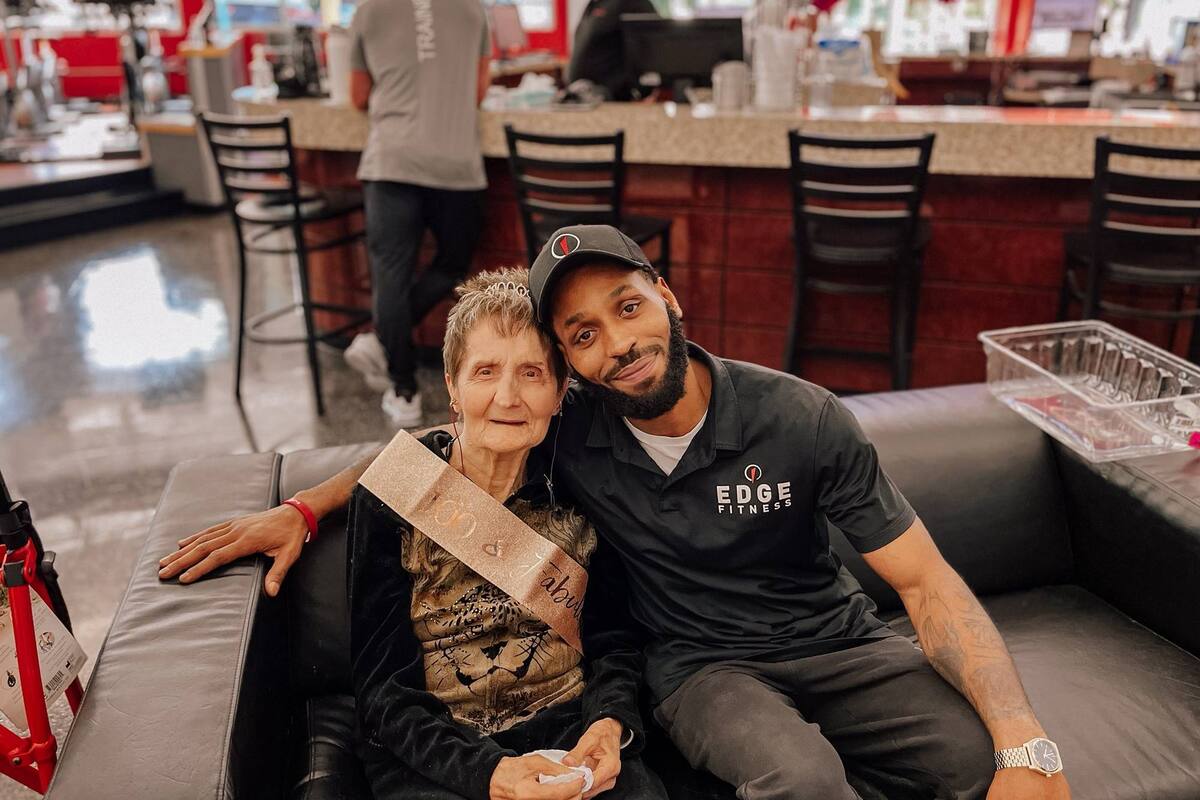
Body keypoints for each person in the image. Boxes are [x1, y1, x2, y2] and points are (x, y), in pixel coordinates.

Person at [161, 226, 1072, 800]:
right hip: (699, 670)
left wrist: (1025, 740)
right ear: (573, 368)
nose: (617, 347)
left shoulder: (798, 418)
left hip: (831, 642)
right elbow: (444, 444)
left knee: (979, 765)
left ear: (667, 300)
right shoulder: (566, 423)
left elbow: (925, 580)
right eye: (583, 337)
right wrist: (307, 506)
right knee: (802, 779)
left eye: (627, 309)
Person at [350, 270, 666, 800]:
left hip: (570, 727)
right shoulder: (394, 492)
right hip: (440, 747)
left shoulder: (584, 486)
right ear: (451, 386)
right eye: (485, 372)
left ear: (561, 390)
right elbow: (384, 689)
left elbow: (614, 639)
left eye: (532, 373)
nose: (507, 396)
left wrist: (609, 723)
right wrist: (489, 773)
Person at [341, 0, 492, 427]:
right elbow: (477, 92)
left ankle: (403, 390)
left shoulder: (368, 10)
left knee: (390, 274)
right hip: (456, 164)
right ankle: (381, 341)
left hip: (390, 162)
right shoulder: (473, 10)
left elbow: (357, 97)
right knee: (452, 264)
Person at [566, 0, 658, 101]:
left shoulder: (633, 2)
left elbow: (652, 48)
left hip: (614, 100)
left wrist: (639, 91)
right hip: (582, 98)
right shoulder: (594, 4)